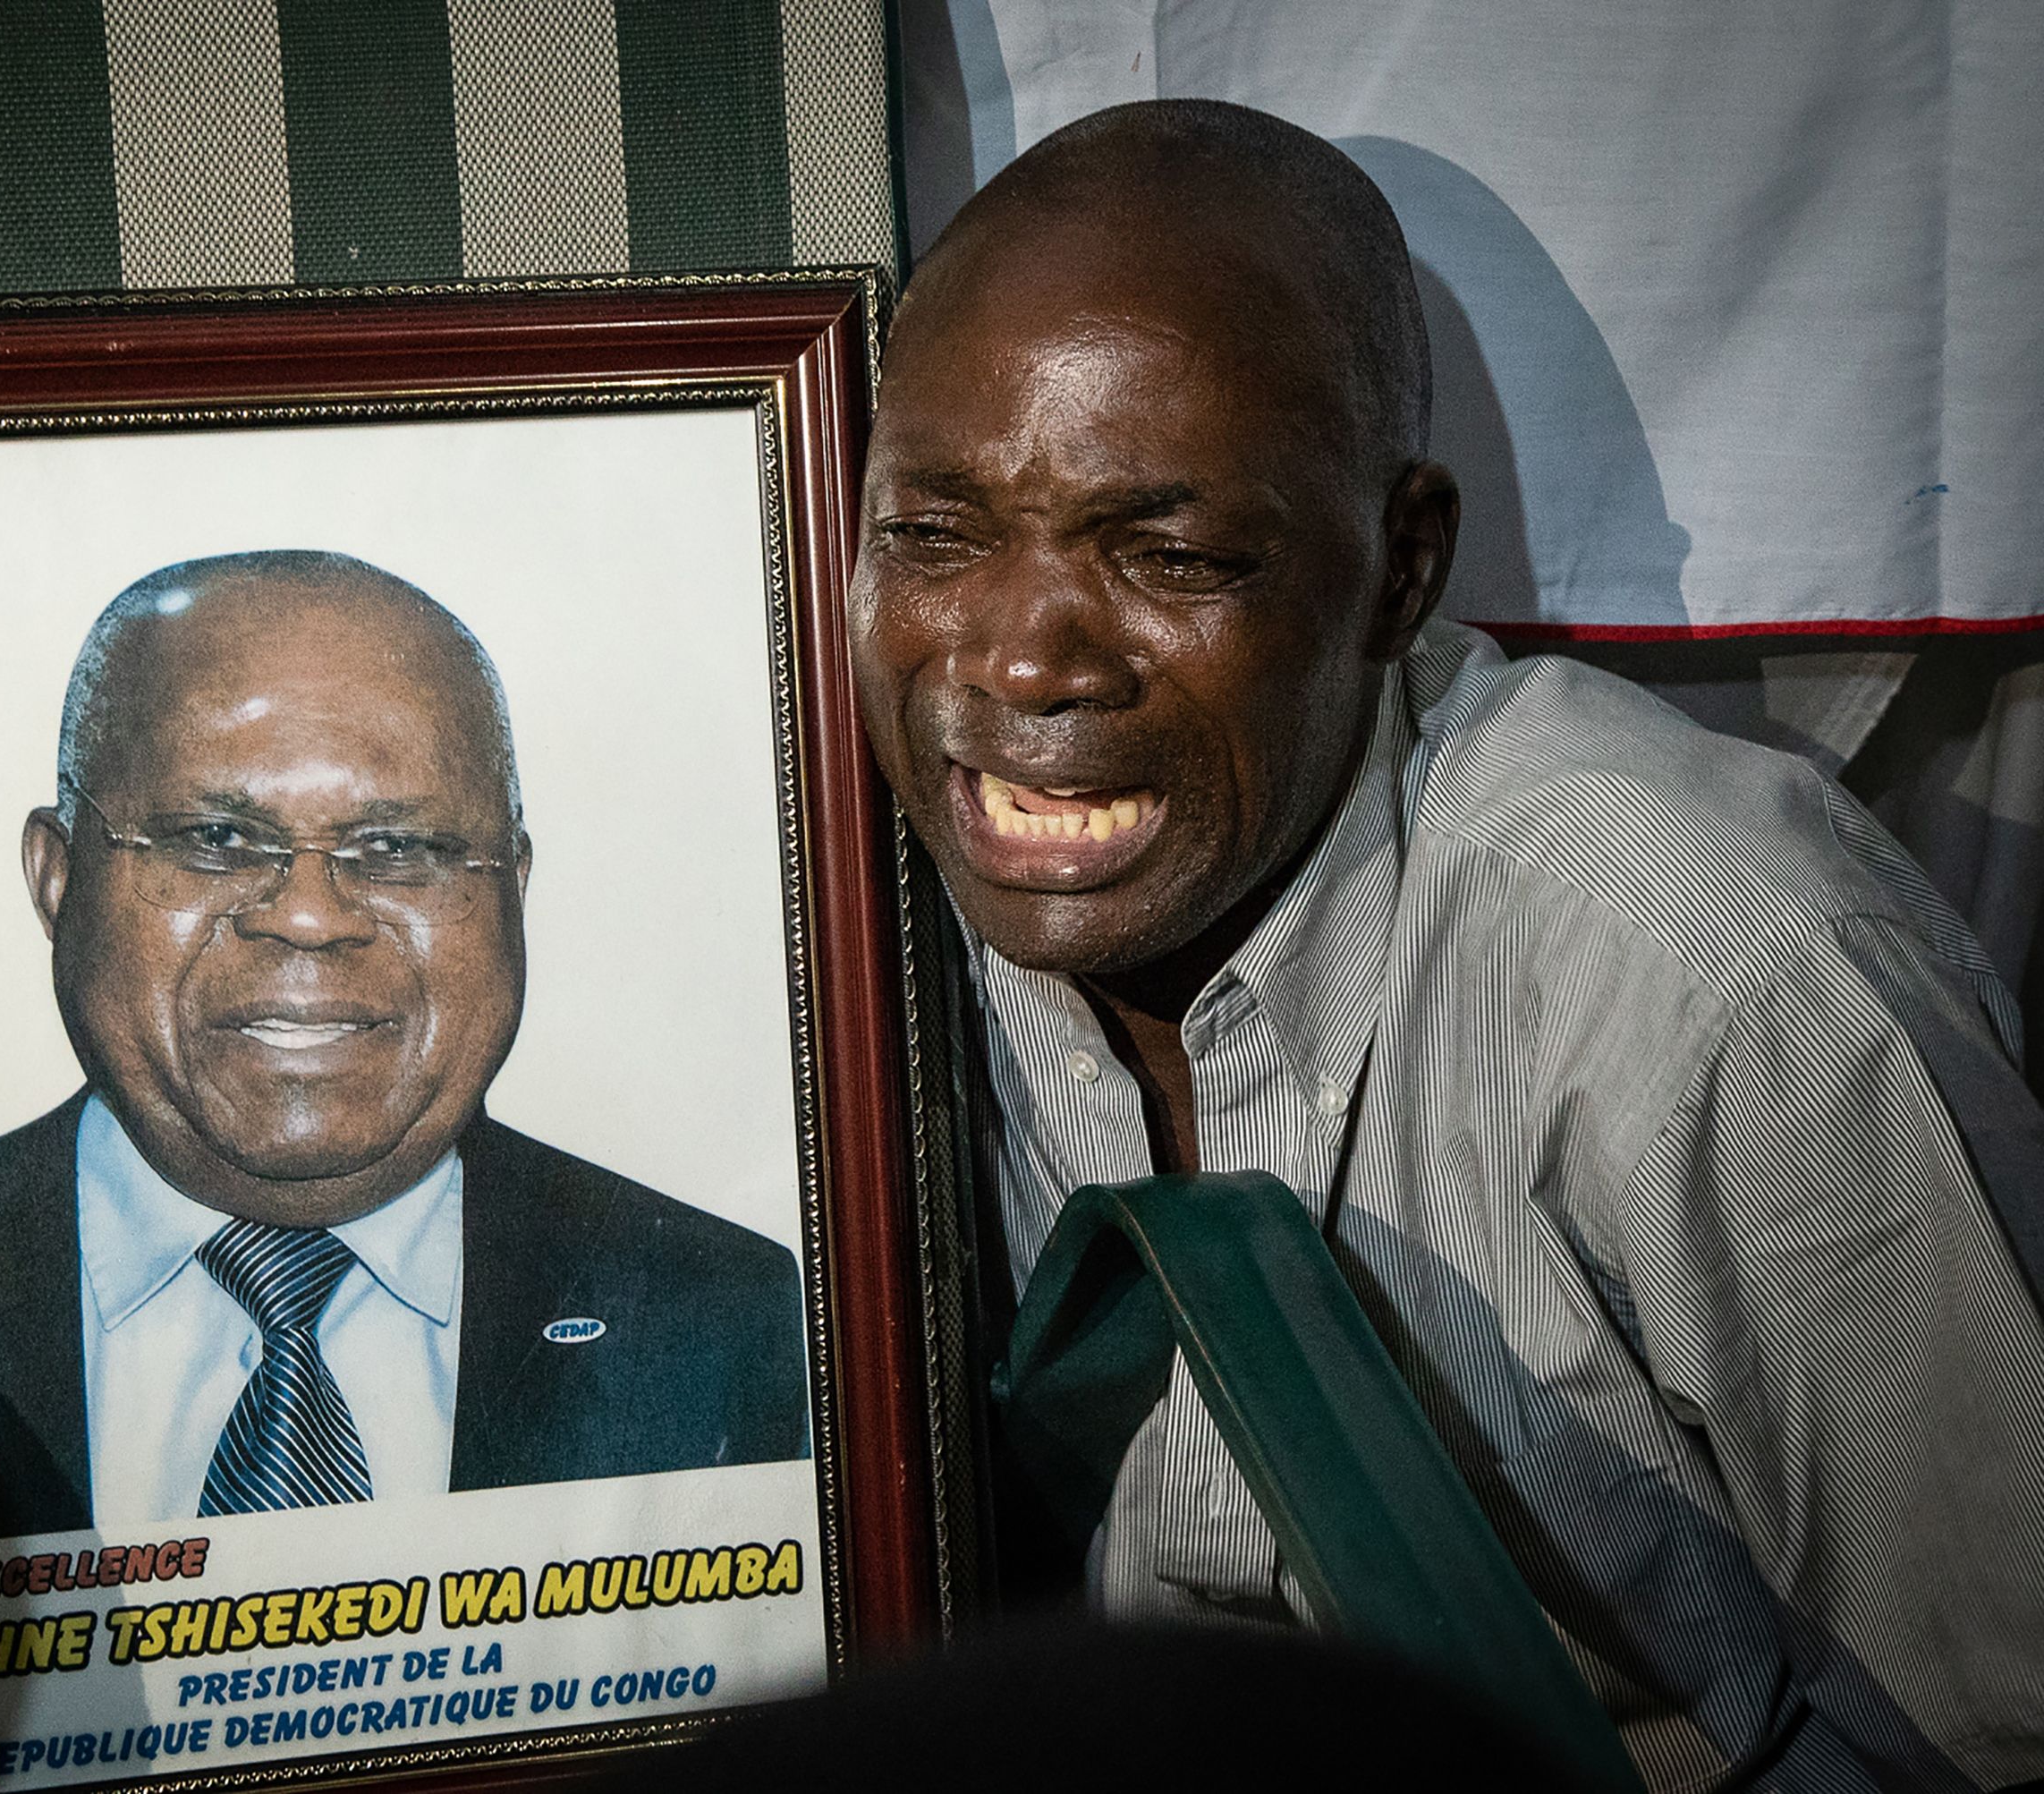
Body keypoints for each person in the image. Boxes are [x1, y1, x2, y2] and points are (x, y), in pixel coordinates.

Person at [848, 100, 2044, 1789]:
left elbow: (2007, 1718)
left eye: (1171, 555)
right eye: (934, 537)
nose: (1025, 663)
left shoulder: (1717, 971)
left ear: (1401, 569)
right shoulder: (849, 912)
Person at [0, 551, 809, 1553]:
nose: (306, 915)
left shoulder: (736, 1324)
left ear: (514, 887)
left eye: (398, 849)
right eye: (214, 835)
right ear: (57, 876)